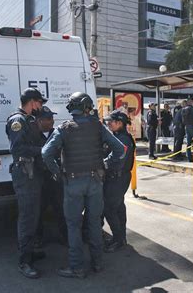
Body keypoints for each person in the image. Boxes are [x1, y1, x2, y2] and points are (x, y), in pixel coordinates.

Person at [42, 92, 125, 279]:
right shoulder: (98, 126)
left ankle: (76, 267)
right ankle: (98, 263)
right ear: (87, 106)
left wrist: (57, 173)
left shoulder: (64, 129)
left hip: (72, 183)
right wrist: (106, 164)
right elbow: (119, 150)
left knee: (73, 226)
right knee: (94, 224)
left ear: (72, 108)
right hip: (95, 182)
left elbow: (46, 154)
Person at [5, 88, 47, 279]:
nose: (41, 106)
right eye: (40, 103)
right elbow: (18, 149)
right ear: (32, 102)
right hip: (25, 173)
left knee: (35, 215)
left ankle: (30, 252)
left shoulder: (29, 119)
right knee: (28, 217)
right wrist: (43, 150)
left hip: (33, 173)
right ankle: (24, 261)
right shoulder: (18, 121)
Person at [102, 110, 136, 253]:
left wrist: (102, 164)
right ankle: (121, 237)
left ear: (120, 123)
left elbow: (117, 160)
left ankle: (118, 239)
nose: (108, 123)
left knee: (109, 208)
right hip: (115, 177)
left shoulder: (124, 139)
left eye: (111, 121)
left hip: (118, 177)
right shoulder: (116, 136)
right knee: (119, 207)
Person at [35, 106, 67, 248]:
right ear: (40, 121)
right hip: (39, 179)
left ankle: (65, 237)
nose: (52, 121)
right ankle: (38, 238)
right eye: (48, 119)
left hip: (55, 178)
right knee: (38, 211)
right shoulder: (33, 135)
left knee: (61, 209)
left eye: (52, 118)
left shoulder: (56, 133)